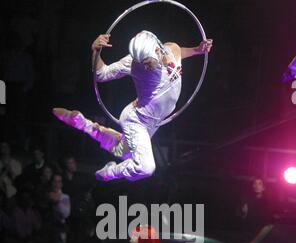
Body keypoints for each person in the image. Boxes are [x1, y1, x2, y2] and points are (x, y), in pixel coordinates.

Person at [53, 31, 213, 183]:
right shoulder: (133, 62)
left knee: (124, 152)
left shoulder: (173, 49)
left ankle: (85, 125)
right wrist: (95, 51)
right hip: (136, 120)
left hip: (153, 121)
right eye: (141, 62)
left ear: (158, 50)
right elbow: (101, 74)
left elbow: (180, 52)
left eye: (147, 62)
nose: (144, 66)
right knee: (145, 167)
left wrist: (197, 50)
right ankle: (109, 173)